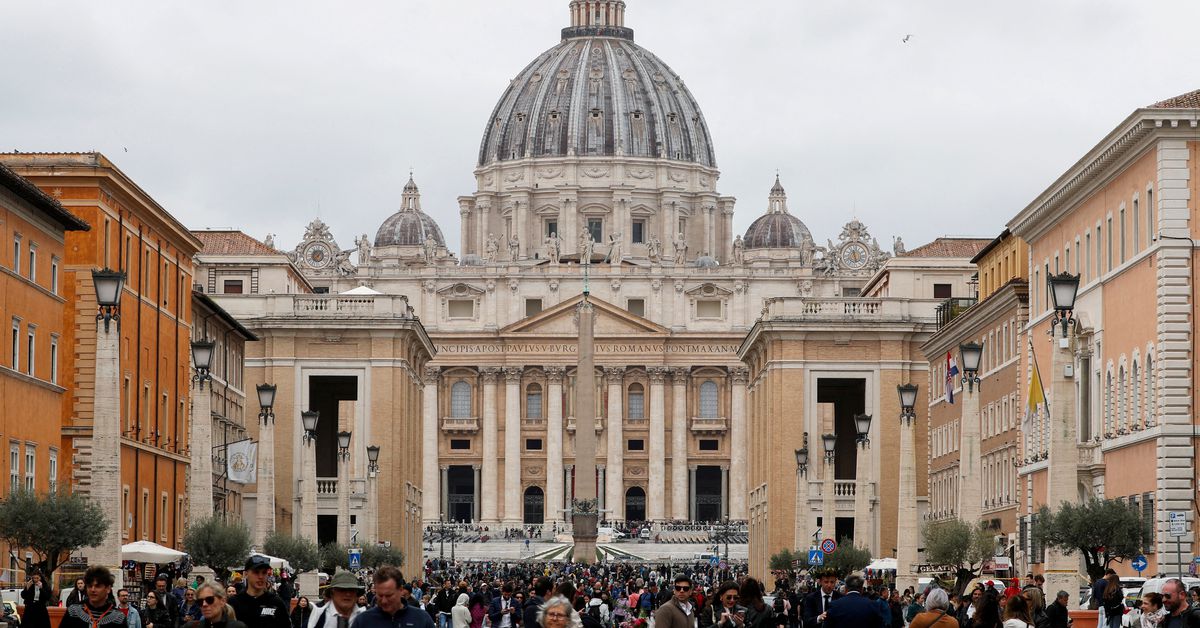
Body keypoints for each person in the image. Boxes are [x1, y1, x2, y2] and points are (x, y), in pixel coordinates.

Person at [356, 566, 435, 628]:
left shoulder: (422, 619)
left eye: (389, 595)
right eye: (380, 595)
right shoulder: (363, 621)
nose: (384, 601)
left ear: (400, 590)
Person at [230, 555, 292, 628]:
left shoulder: (276, 602)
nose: (261, 577)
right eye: (256, 572)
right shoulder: (234, 603)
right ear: (246, 574)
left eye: (264, 572)